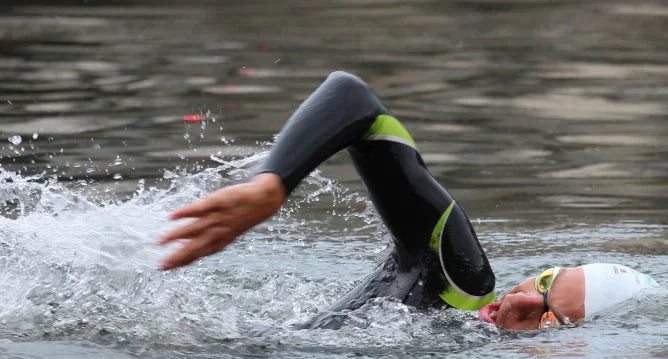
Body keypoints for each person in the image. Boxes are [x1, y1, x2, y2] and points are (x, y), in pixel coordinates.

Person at [159, 71, 658, 330]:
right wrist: (272, 185)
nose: (519, 301)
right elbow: (354, 98)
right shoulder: (461, 281)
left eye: (547, 319)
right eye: (544, 282)